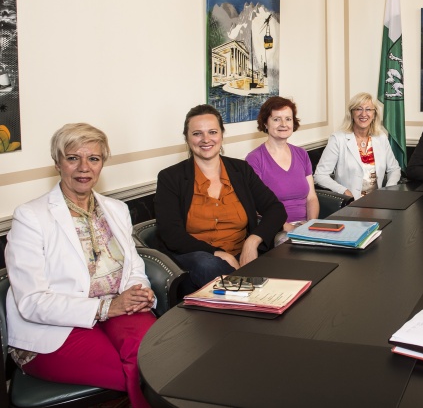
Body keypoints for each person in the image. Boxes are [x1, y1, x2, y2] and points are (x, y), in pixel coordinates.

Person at [5, 123, 156, 408]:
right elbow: (32, 301)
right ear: (57, 163)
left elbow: (133, 265)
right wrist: (104, 309)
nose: (84, 167)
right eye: (73, 158)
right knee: (139, 373)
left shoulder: (116, 209)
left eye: (94, 159)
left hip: (118, 305)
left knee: (157, 358)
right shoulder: (30, 217)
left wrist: (139, 290)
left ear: (102, 164)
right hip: (54, 326)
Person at [154, 104, 287, 290]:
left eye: (212, 132)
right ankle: (253, 300)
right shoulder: (170, 178)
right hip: (198, 260)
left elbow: (275, 209)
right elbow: (171, 234)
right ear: (187, 138)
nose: (206, 139)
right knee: (208, 264)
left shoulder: (241, 170)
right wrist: (217, 253)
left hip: (244, 255)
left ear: (222, 135)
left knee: (288, 248)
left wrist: (253, 241)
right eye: (197, 133)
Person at [246, 96, 319, 244]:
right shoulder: (254, 159)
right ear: (265, 123)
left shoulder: (302, 154)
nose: (283, 124)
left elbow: (311, 197)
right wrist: (288, 227)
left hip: (306, 225)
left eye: (288, 119)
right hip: (277, 229)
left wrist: (311, 224)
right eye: (276, 119)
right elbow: (257, 208)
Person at [314, 92, 401, 198]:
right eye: (358, 109)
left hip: (378, 202)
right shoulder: (338, 139)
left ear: (374, 115)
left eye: (368, 109)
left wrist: (388, 190)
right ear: (351, 113)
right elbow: (320, 175)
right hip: (350, 204)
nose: (363, 114)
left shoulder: (381, 138)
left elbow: (394, 169)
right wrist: (344, 191)